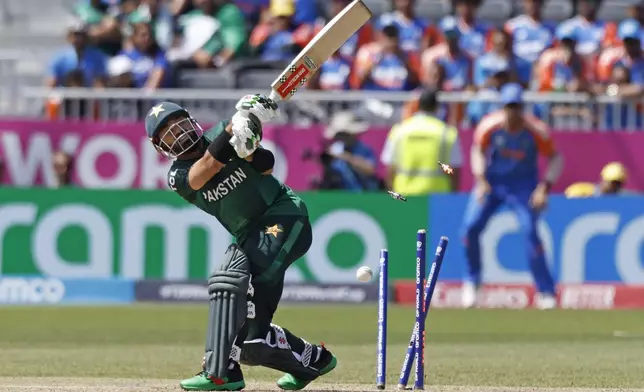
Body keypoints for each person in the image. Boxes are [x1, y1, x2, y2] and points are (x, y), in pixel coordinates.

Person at [144, 94, 336, 391]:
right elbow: (204, 171)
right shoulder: (178, 175)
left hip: (282, 215)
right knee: (245, 333)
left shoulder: (220, 130)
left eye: (179, 124)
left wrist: (248, 145)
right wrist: (234, 130)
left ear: (192, 121)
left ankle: (219, 371)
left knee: (237, 290)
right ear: (160, 146)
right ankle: (313, 360)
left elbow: (266, 163)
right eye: (169, 133)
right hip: (250, 234)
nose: (179, 133)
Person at [461, 83, 563, 310]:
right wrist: (480, 180)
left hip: (523, 186)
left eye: (517, 107)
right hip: (493, 184)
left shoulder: (536, 130)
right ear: (502, 107)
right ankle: (472, 283)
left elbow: (556, 158)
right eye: (509, 107)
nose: (513, 112)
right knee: (470, 228)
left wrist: (544, 188)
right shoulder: (490, 126)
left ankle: (546, 292)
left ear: (523, 108)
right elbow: (477, 150)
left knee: (530, 233)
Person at [380, 89, 462, 196]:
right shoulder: (447, 132)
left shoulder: (399, 130)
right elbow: (454, 170)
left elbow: (390, 168)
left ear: (418, 106)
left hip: (404, 193)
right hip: (437, 196)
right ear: (436, 107)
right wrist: (452, 197)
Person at [321, 112, 380, 191]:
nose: (341, 137)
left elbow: (370, 170)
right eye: (339, 134)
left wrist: (346, 157)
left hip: (362, 196)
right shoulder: (334, 148)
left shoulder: (363, 149)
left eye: (344, 134)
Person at [565, 162, 634, 197]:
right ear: (603, 180)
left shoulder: (624, 198)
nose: (615, 186)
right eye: (613, 182)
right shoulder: (582, 192)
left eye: (619, 183)